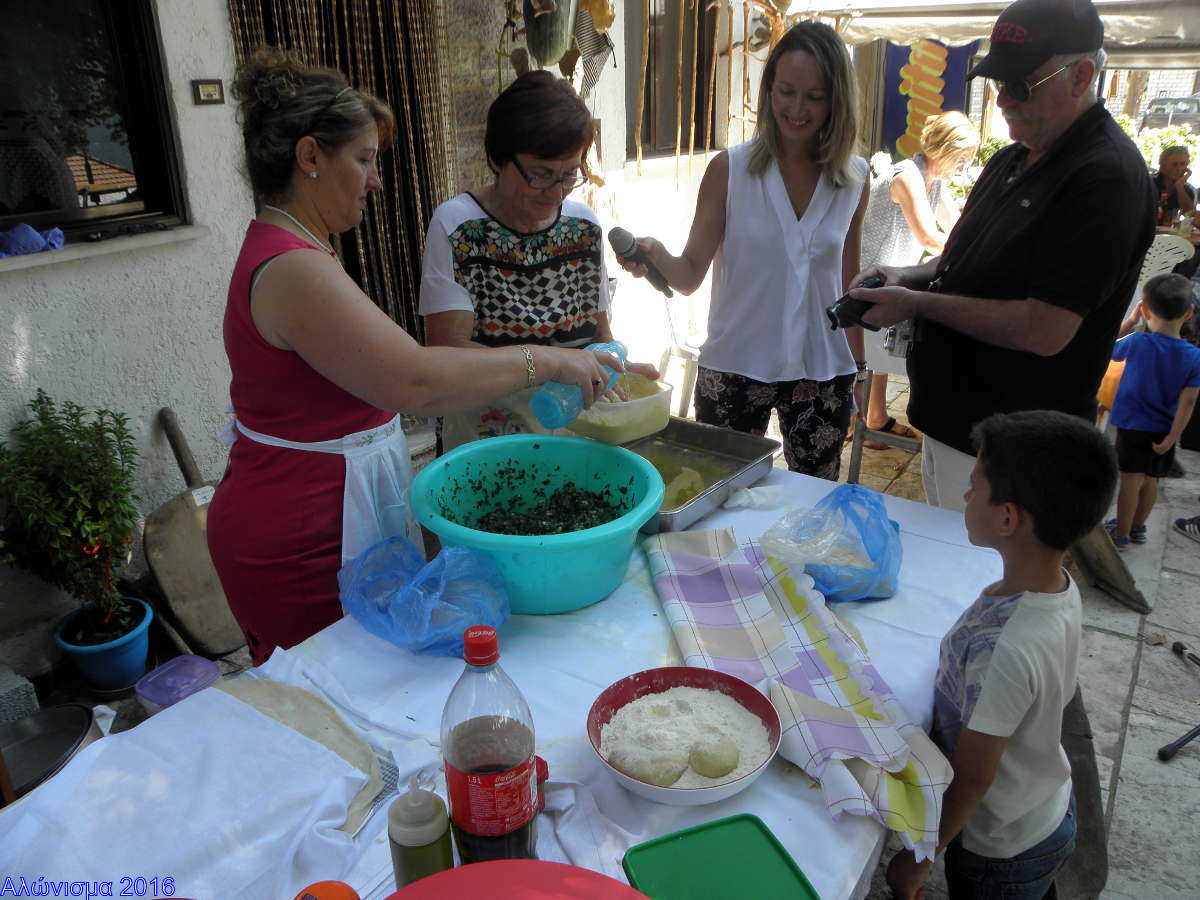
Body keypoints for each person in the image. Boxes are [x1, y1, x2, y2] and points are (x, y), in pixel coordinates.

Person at [208, 50, 616, 665]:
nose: (376, 180)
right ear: (310, 156)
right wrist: (549, 360)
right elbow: (416, 381)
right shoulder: (292, 266)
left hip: (331, 510)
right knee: (333, 687)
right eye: (364, 159)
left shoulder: (300, 248)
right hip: (301, 531)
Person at [851, 0, 1156, 510]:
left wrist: (916, 303)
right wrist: (904, 274)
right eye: (998, 83)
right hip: (956, 421)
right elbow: (956, 263)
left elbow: (1045, 328)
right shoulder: (1015, 157)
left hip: (1016, 444)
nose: (1005, 99)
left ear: (1081, 76)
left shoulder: (1105, 176)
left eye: (1021, 84)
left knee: (981, 558)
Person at [617, 21, 869, 479]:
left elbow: (848, 287)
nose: (796, 109)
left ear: (837, 100)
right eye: (786, 91)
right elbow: (689, 274)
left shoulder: (854, 178)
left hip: (823, 373)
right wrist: (656, 255)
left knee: (814, 501)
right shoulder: (729, 170)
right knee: (723, 496)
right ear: (769, 88)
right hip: (734, 367)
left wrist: (859, 367)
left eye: (814, 97)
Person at [887, 409, 1118, 899]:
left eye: (974, 488)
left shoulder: (1007, 647)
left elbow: (975, 776)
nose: (965, 496)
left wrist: (920, 857)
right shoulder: (1055, 585)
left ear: (1008, 518)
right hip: (1040, 801)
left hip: (1001, 846)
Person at [420, 71, 656, 451]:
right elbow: (449, 351)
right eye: (541, 175)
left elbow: (598, 337)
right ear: (497, 158)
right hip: (489, 440)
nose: (556, 192)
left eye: (569, 175)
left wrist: (614, 369)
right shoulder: (459, 226)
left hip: (574, 432)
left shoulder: (582, 227)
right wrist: (555, 364)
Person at [858, 112, 979, 448]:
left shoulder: (933, 180)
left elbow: (957, 228)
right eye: (963, 157)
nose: (965, 165)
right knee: (876, 350)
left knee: (886, 343)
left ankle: (874, 416)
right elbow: (928, 236)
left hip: (893, 275)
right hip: (868, 277)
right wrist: (968, 256)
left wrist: (975, 245)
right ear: (946, 150)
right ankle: (857, 420)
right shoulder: (906, 176)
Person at [1104, 273, 1200, 548]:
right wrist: (1173, 437)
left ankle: (1121, 534)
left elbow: (1107, 348)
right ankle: (1137, 528)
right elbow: (1188, 402)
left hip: (1133, 426)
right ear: (1189, 313)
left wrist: (1129, 322)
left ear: (1145, 311)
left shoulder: (1136, 341)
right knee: (1151, 480)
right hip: (1164, 430)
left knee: (1130, 481)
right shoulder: (1195, 357)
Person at [1153, 145, 1195, 224]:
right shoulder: (1149, 184)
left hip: (1169, 231)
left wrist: (1180, 187)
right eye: (1174, 164)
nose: (1179, 168)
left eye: (1183, 164)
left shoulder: (1186, 190)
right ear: (1163, 165)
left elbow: (1190, 215)